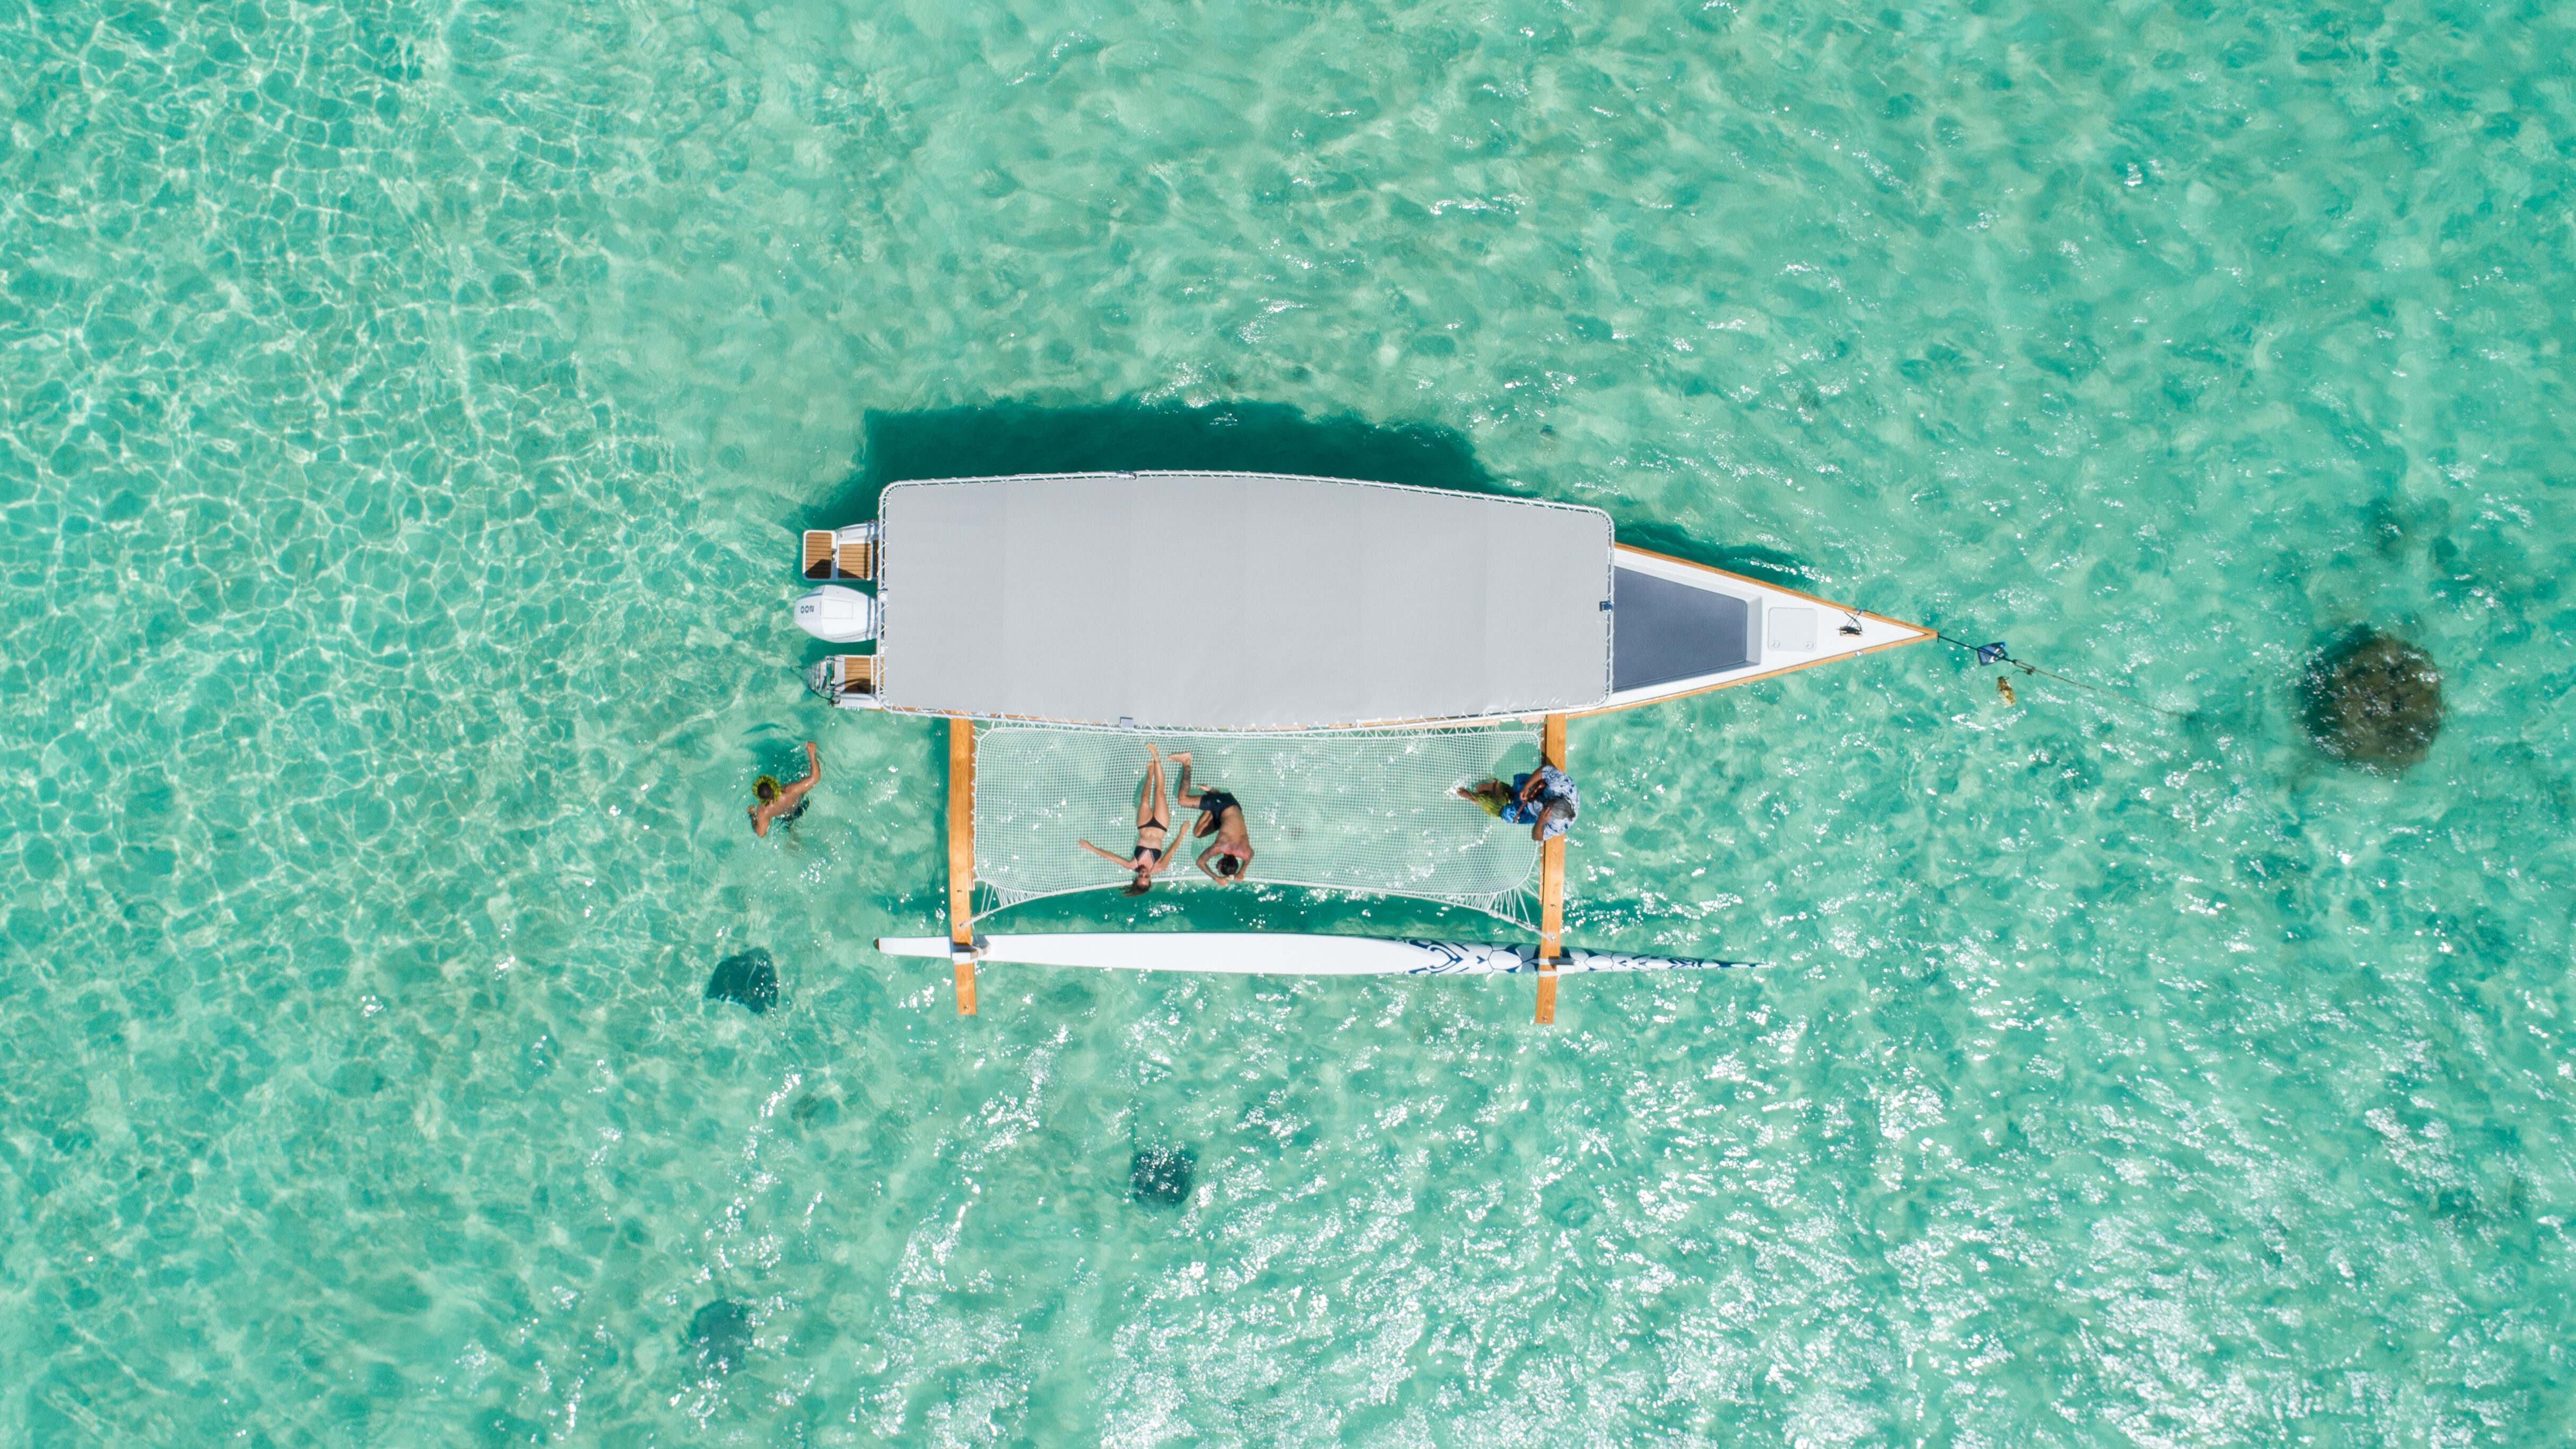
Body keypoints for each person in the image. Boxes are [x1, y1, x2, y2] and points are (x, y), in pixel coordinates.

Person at [1078, 744, 1183, 896]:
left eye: (1140, 876)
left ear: (1136, 878)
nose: (1143, 873)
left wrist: (1092, 848)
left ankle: (1150, 774)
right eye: (1146, 877)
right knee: (1160, 792)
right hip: (1161, 827)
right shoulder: (1160, 868)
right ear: (1150, 879)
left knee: (1145, 800)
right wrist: (1182, 833)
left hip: (1144, 826)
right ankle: (1156, 757)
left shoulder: (1132, 864)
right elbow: (1171, 850)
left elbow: (1111, 857)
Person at [1170, 752, 1255, 884]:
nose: (1216, 867)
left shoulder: (1245, 852)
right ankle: (1186, 762)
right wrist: (1216, 878)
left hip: (1230, 811)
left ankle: (1212, 797)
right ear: (1222, 860)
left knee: (1198, 833)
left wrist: (1242, 872)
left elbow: (1250, 857)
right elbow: (1200, 862)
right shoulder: (1220, 847)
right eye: (1218, 867)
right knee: (1183, 800)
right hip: (1225, 804)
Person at [1457, 762, 1579, 842]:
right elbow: (1545, 771)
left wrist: (1541, 822)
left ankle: (1478, 798)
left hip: (1533, 813)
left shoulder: (1557, 826)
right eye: (1550, 802)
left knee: (1506, 814)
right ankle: (1501, 789)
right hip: (1540, 789)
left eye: (1546, 808)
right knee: (1519, 790)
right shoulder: (1563, 787)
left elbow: (1536, 837)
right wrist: (1527, 787)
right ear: (1559, 798)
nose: (1545, 802)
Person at [751, 741, 822, 837]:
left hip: (784, 819)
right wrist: (812, 754)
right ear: (773, 783)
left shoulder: (764, 810)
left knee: (790, 830)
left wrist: (752, 815)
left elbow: (761, 834)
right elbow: (815, 778)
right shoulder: (791, 791)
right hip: (800, 807)